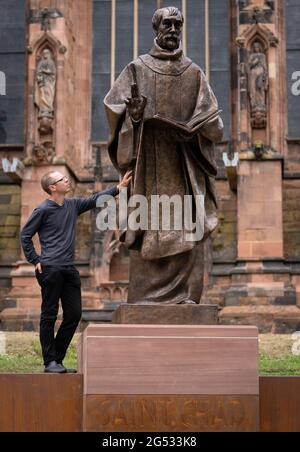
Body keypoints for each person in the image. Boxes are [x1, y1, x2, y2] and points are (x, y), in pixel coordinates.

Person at [104, 6, 223, 305]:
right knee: (150, 225)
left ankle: (184, 297)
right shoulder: (136, 69)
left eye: (177, 25)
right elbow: (114, 110)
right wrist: (133, 118)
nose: (172, 30)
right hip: (149, 165)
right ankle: (146, 298)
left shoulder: (194, 72)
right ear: (156, 29)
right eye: (167, 24)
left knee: (186, 226)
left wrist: (200, 126)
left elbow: (213, 121)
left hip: (183, 164)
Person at [20, 169, 132, 373]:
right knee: (49, 315)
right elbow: (25, 236)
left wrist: (118, 188)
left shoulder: (72, 205)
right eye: (62, 179)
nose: (67, 180)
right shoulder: (43, 209)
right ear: (52, 187)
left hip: (69, 269)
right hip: (50, 268)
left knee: (74, 314)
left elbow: (94, 199)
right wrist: (35, 260)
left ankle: (57, 359)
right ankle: (49, 362)